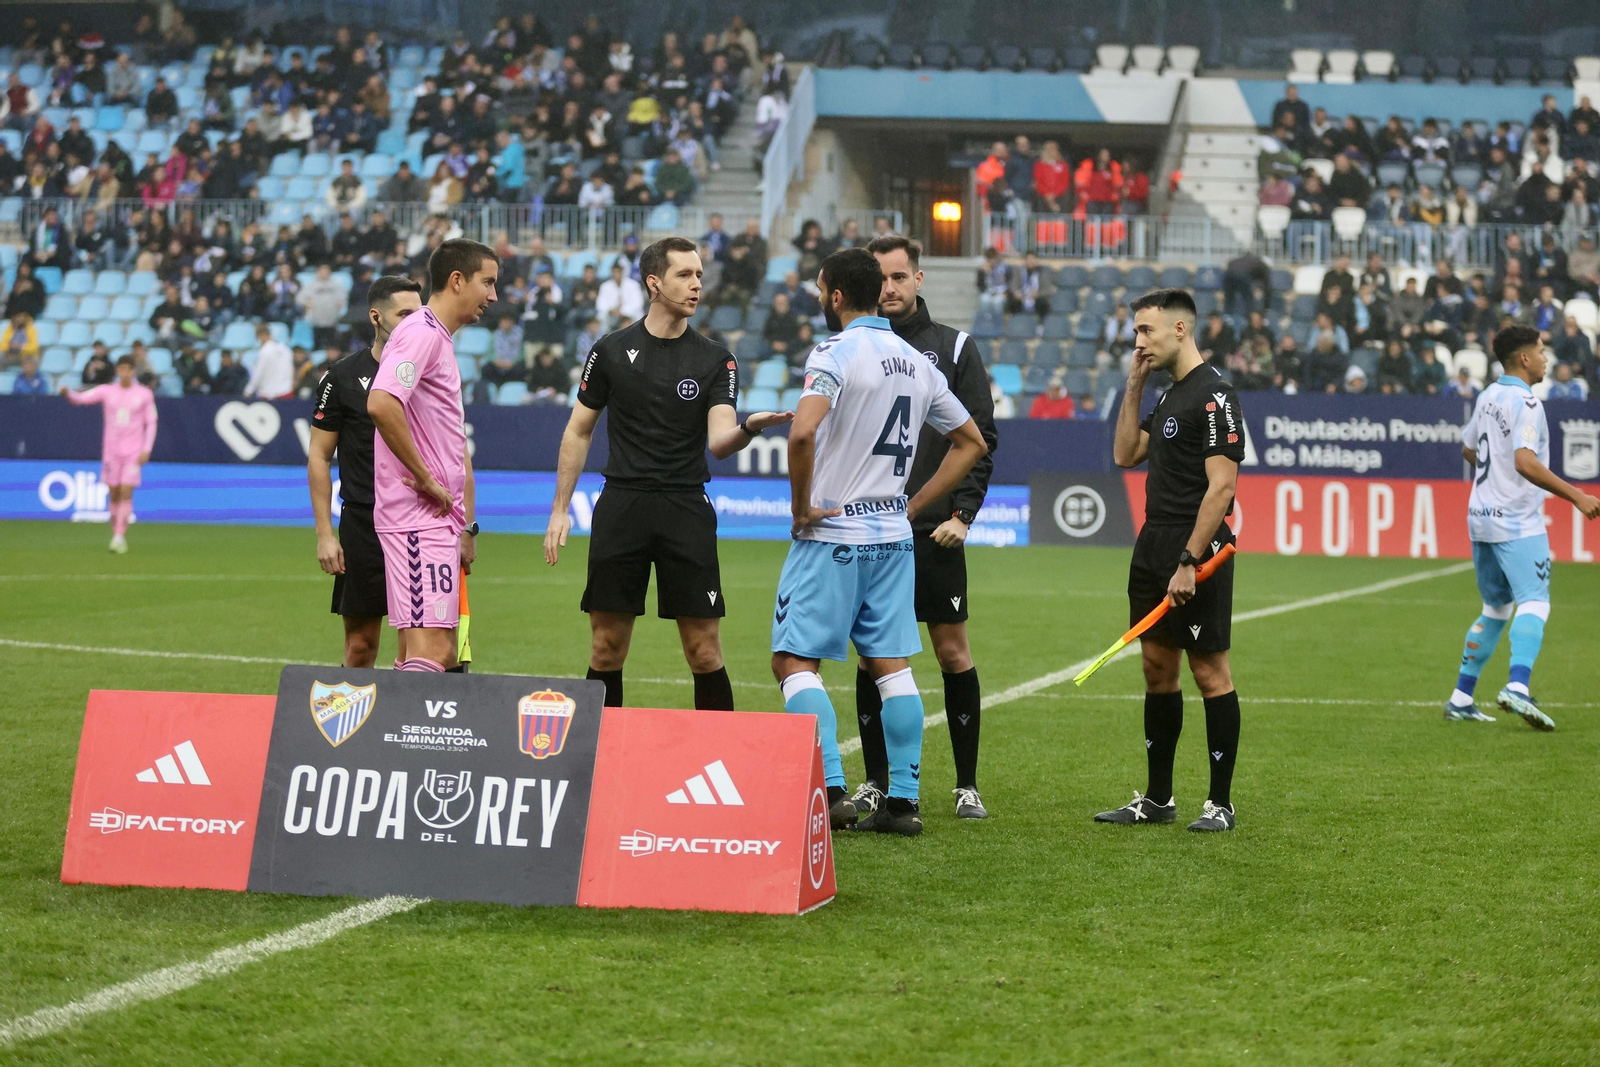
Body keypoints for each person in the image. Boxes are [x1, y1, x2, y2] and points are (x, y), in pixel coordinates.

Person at [771, 248, 986, 837]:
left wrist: (800, 508)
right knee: (891, 667)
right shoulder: (916, 360)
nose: (819, 298)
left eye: (820, 290)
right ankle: (903, 804)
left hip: (833, 534)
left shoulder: (834, 353)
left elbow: (802, 431)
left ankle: (835, 790)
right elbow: (970, 442)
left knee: (793, 661)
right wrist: (911, 506)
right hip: (894, 538)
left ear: (836, 295)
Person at [543, 237, 792, 709]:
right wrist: (559, 509)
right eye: (685, 275)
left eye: (699, 275)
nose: (697, 284)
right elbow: (578, 430)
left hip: (685, 509)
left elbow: (720, 441)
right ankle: (601, 765)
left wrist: (750, 429)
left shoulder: (717, 358)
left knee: (703, 650)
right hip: (622, 506)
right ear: (654, 283)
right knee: (606, 647)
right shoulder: (611, 350)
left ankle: (718, 766)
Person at [850, 234, 999, 822]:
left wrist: (963, 515)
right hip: (867, 530)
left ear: (919, 278)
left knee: (950, 649)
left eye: (898, 277)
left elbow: (980, 440)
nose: (889, 288)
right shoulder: (852, 348)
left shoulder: (955, 348)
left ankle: (966, 785)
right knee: (871, 656)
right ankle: (875, 780)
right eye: (879, 279)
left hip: (933, 529)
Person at [1106, 288, 1246, 833]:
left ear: (1180, 330)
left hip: (1197, 550)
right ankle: (1159, 799)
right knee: (1156, 670)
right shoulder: (1168, 394)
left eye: (1147, 330)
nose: (1139, 340)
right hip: (1153, 544)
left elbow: (1222, 487)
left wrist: (1189, 560)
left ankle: (1219, 803)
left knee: (1210, 672)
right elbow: (1124, 455)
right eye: (1137, 331)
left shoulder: (1215, 396)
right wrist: (1134, 386)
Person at [1444, 325, 1600, 728]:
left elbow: (1468, 447)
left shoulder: (1488, 395)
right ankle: (1517, 686)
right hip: (1516, 520)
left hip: (1480, 517)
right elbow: (1525, 462)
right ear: (1525, 358)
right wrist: (1578, 496)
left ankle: (1461, 696)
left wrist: (1492, 482)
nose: (1547, 358)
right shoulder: (1527, 403)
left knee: (1496, 607)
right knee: (1535, 601)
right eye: (1542, 351)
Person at [367, 240, 495, 672]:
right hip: (417, 518)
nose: (493, 296)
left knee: (417, 653)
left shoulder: (435, 337)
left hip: (433, 520)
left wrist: (463, 521)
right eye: (488, 282)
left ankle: (397, 738)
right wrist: (424, 477)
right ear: (457, 280)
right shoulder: (421, 332)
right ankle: (405, 740)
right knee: (435, 652)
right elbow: (382, 402)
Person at [308, 275, 424, 669]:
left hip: (419, 522)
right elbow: (320, 457)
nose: (414, 322)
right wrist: (325, 534)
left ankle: (403, 728)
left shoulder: (430, 372)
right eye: (404, 314)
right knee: (360, 646)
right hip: (363, 522)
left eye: (419, 314)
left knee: (417, 651)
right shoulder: (340, 377)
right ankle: (358, 728)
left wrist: (464, 526)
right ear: (376, 317)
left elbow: (456, 454)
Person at [61, 355, 157, 554]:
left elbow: (151, 422)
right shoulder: (107, 391)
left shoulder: (144, 394)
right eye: (121, 369)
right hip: (111, 451)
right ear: (117, 371)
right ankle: (116, 532)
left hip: (133, 451)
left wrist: (146, 448)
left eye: (128, 369)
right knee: (114, 493)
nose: (125, 373)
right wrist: (68, 394)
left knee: (125, 490)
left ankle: (120, 536)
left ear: (133, 371)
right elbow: (81, 399)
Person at [245, 323, 294, 399]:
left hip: (269, 394)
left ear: (261, 336)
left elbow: (259, 372)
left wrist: (248, 390)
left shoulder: (265, 351)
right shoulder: (286, 349)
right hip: (286, 392)